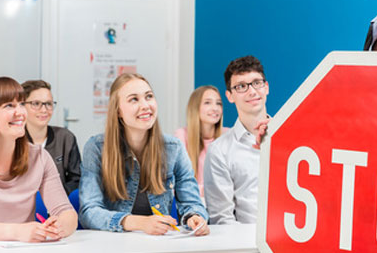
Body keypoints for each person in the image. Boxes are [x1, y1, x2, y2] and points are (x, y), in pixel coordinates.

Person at [79, 73, 209, 236]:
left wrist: (195, 217)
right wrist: (139, 222)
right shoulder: (96, 148)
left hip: (158, 244)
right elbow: (88, 212)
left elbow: (192, 203)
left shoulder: (174, 148)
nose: (146, 105)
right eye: (134, 99)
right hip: (113, 244)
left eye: (149, 97)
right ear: (118, 111)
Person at [0, 77, 77, 242]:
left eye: (21, 104)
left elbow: (67, 213)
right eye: (9, 105)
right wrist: (16, 232)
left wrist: (59, 226)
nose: (21, 112)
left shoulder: (39, 157)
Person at [204, 55, 269, 224]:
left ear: (266, 87)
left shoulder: (291, 137)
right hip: (248, 244)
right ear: (230, 96)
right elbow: (222, 219)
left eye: (257, 83)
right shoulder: (220, 151)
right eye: (241, 86)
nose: (252, 91)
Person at [21, 80, 81, 195]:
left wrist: (55, 195)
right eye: (36, 103)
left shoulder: (65, 138)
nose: (44, 110)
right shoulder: (14, 140)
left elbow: (77, 179)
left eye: (48, 104)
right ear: (22, 106)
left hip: (59, 206)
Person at [174, 85, 228, 197]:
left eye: (218, 103)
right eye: (208, 103)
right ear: (195, 107)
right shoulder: (181, 136)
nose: (215, 108)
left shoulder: (228, 135)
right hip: (192, 206)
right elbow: (179, 184)